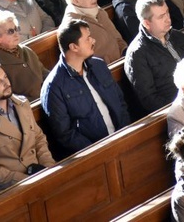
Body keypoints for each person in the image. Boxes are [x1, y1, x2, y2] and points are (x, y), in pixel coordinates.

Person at [0, 56, 55, 194]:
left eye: (5, 77)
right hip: (9, 189)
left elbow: (38, 138)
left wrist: (48, 167)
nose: (6, 83)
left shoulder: (22, 103)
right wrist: (27, 179)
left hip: (40, 173)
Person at [41, 20, 130, 155]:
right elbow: (65, 133)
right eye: (87, 38)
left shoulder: (99, 65)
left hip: (123, 137)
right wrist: (96, 150)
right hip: (93, 153)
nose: (93, 41)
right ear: (74, 47)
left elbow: (120, 102)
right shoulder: (54, 86)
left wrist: (125, 133)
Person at [124, 0, 184, 113]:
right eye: (161, 16)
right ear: (147, 23)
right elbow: (149, 99)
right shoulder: (137, 54)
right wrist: (179, 108)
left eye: (167, 12)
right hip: (175, 110)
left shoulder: (177, 36)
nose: (168, 18)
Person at [0, 10, 48, 101]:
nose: (17, 33)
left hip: (46, 98)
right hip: (26, 108)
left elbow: (43, 72)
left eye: (17, 29)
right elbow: (4, 98)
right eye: (11, 31)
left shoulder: (25, 50)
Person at [61, 0, 127, 63]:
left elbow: (117, 37)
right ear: (75, 0)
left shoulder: (99, 12)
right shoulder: (72, 25)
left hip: (121, 61)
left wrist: (125, 51)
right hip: (104, 70)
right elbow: (82, 59)